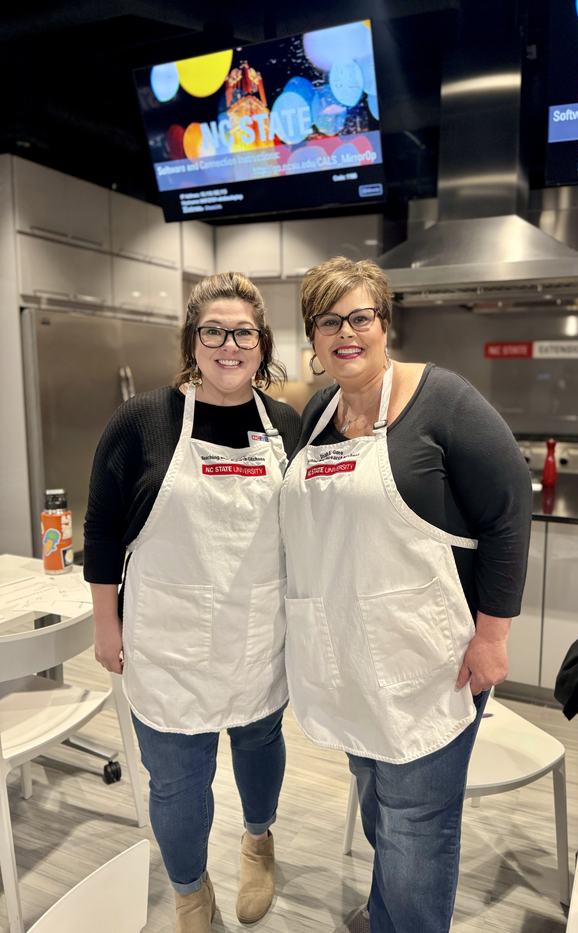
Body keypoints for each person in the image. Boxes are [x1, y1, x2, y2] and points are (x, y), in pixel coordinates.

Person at [280, 257, 532, 933]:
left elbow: (510, 508)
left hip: (431, 655)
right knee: (376, 800)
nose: (346, 332)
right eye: (328, 320)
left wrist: (494, 635)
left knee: (417, 818)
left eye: (360, 316)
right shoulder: (317, 412)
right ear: (313, 333)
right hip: (350, 654)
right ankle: (391, 910)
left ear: (384, 323)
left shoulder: (441, 399)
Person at [84, 272, 301, 933]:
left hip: (259, 633)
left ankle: (258, 841)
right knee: (177, 781)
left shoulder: (286, 423)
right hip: (168, 641)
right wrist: (105, 623)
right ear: (192, 340)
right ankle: (189, 890)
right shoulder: (143, 421)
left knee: (260, 742)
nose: (228, 345)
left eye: (243, 332)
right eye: (214, 331)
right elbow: (101, 526)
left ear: (261, 344)